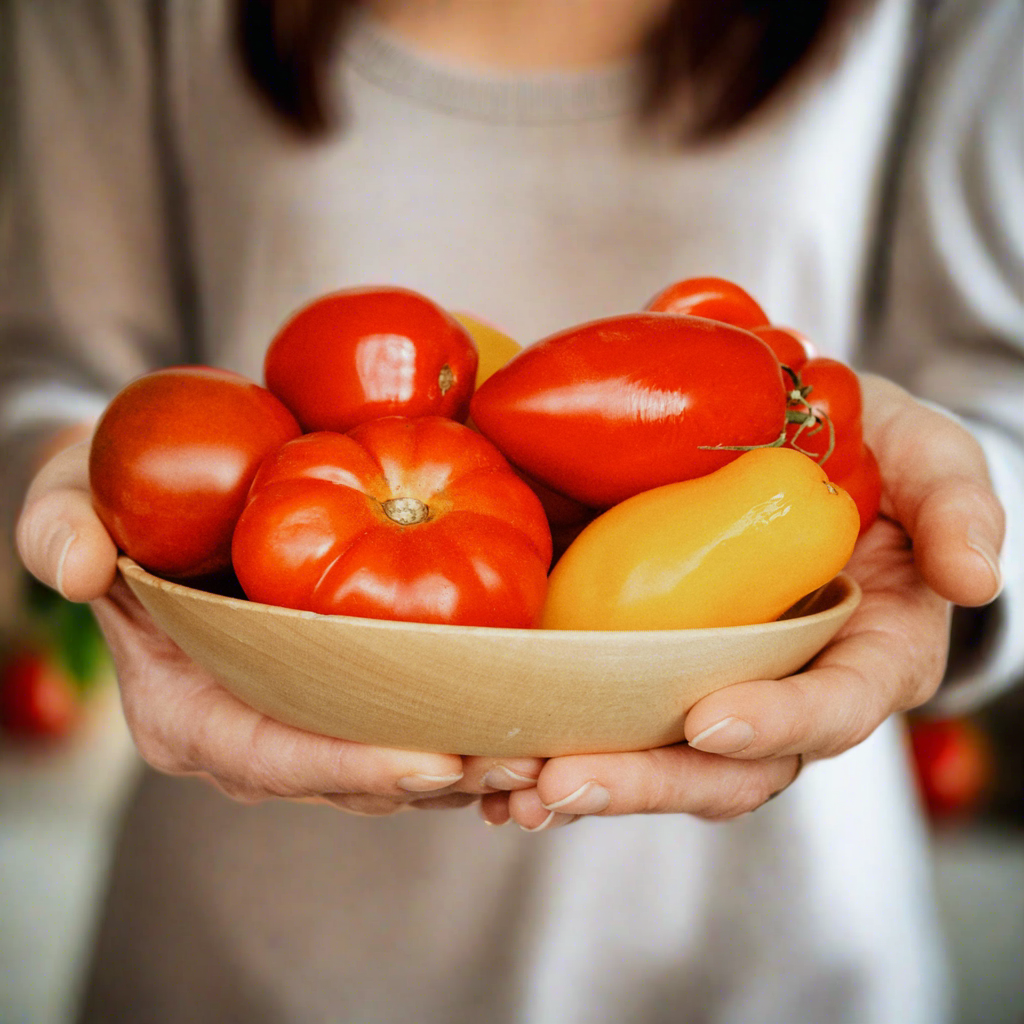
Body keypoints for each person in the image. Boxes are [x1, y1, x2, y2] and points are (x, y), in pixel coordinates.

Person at [2, 0, 1022, 1021]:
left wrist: (963, 527)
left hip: (764, 947)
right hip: (252, 949)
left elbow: (1001, 385)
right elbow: (46, 365)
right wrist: (71, 478)